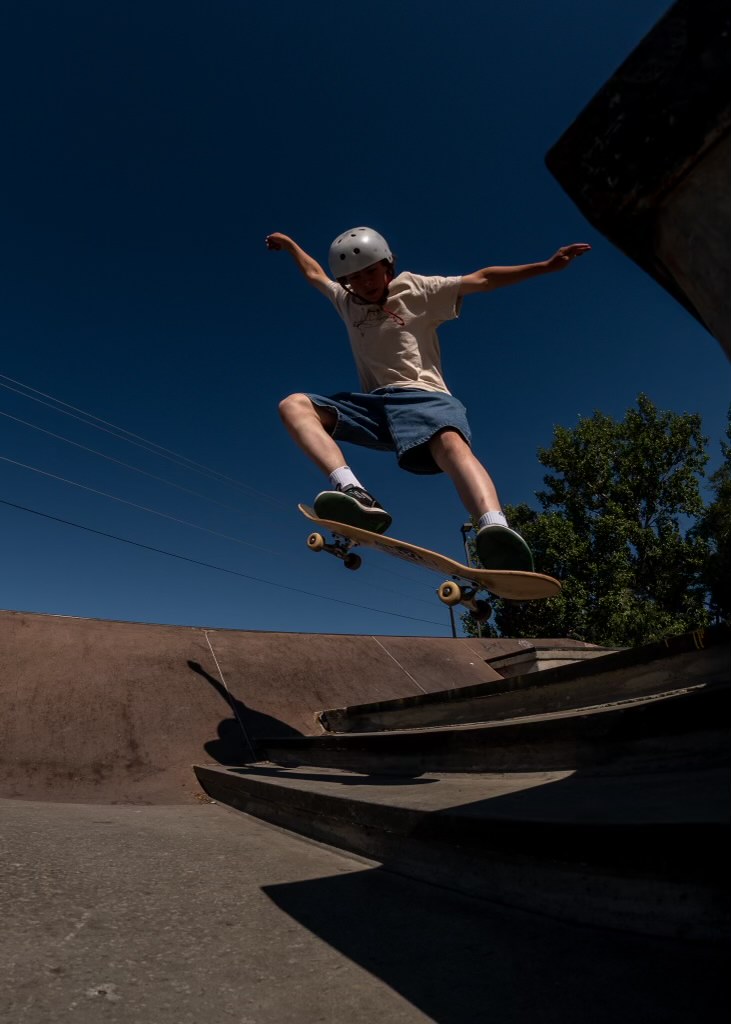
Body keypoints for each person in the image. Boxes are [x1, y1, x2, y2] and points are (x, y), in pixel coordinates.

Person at [266, 226, 590, 571]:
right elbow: (315, 273)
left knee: (450, 444)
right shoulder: (345, 302)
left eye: (371, 272)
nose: (365, 283)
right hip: (375, 407)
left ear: (387, 266)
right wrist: (289, 245)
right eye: (355, 278)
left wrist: (545, 266)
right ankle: (353, 492)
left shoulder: (416, 288)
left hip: (425, 399)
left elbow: (481, 279)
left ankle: (494, 527)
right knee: (293, 404)